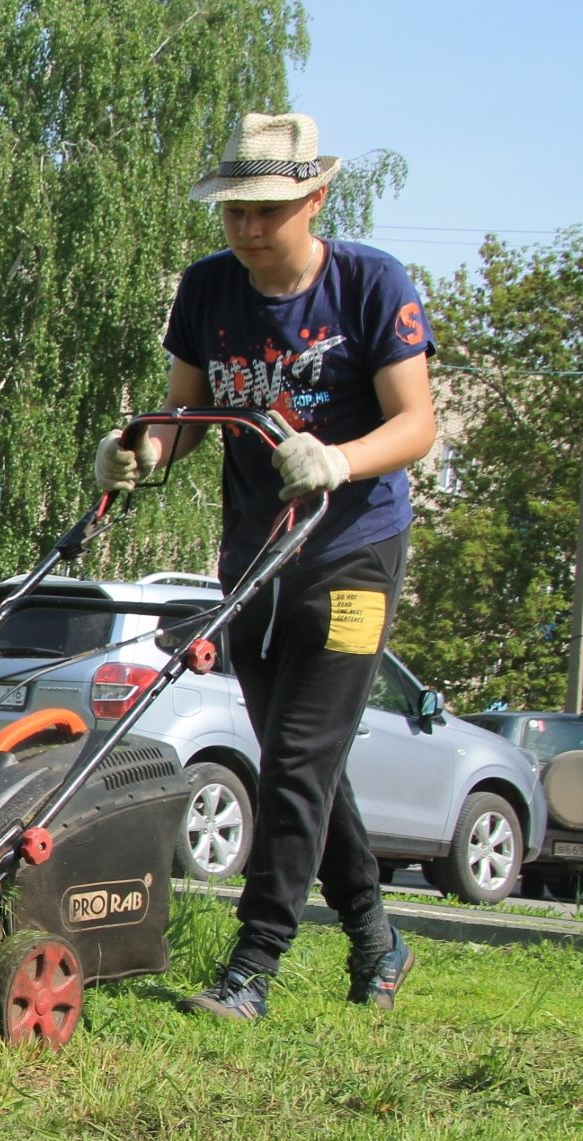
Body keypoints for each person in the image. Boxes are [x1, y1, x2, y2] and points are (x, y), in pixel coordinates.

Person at [95, 112, 437, 1019]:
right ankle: (376, 936)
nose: (248, 229)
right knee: (305, 760)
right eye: (235, 211)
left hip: (352, 548)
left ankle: (253, 966)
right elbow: (183, 411)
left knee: (294, 757)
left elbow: (417, 423)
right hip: (254, 554)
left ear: (316, 200)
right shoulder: (209, 291)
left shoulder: (370, 284)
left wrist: (339, 457)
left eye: (268, 211)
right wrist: (139, 453)